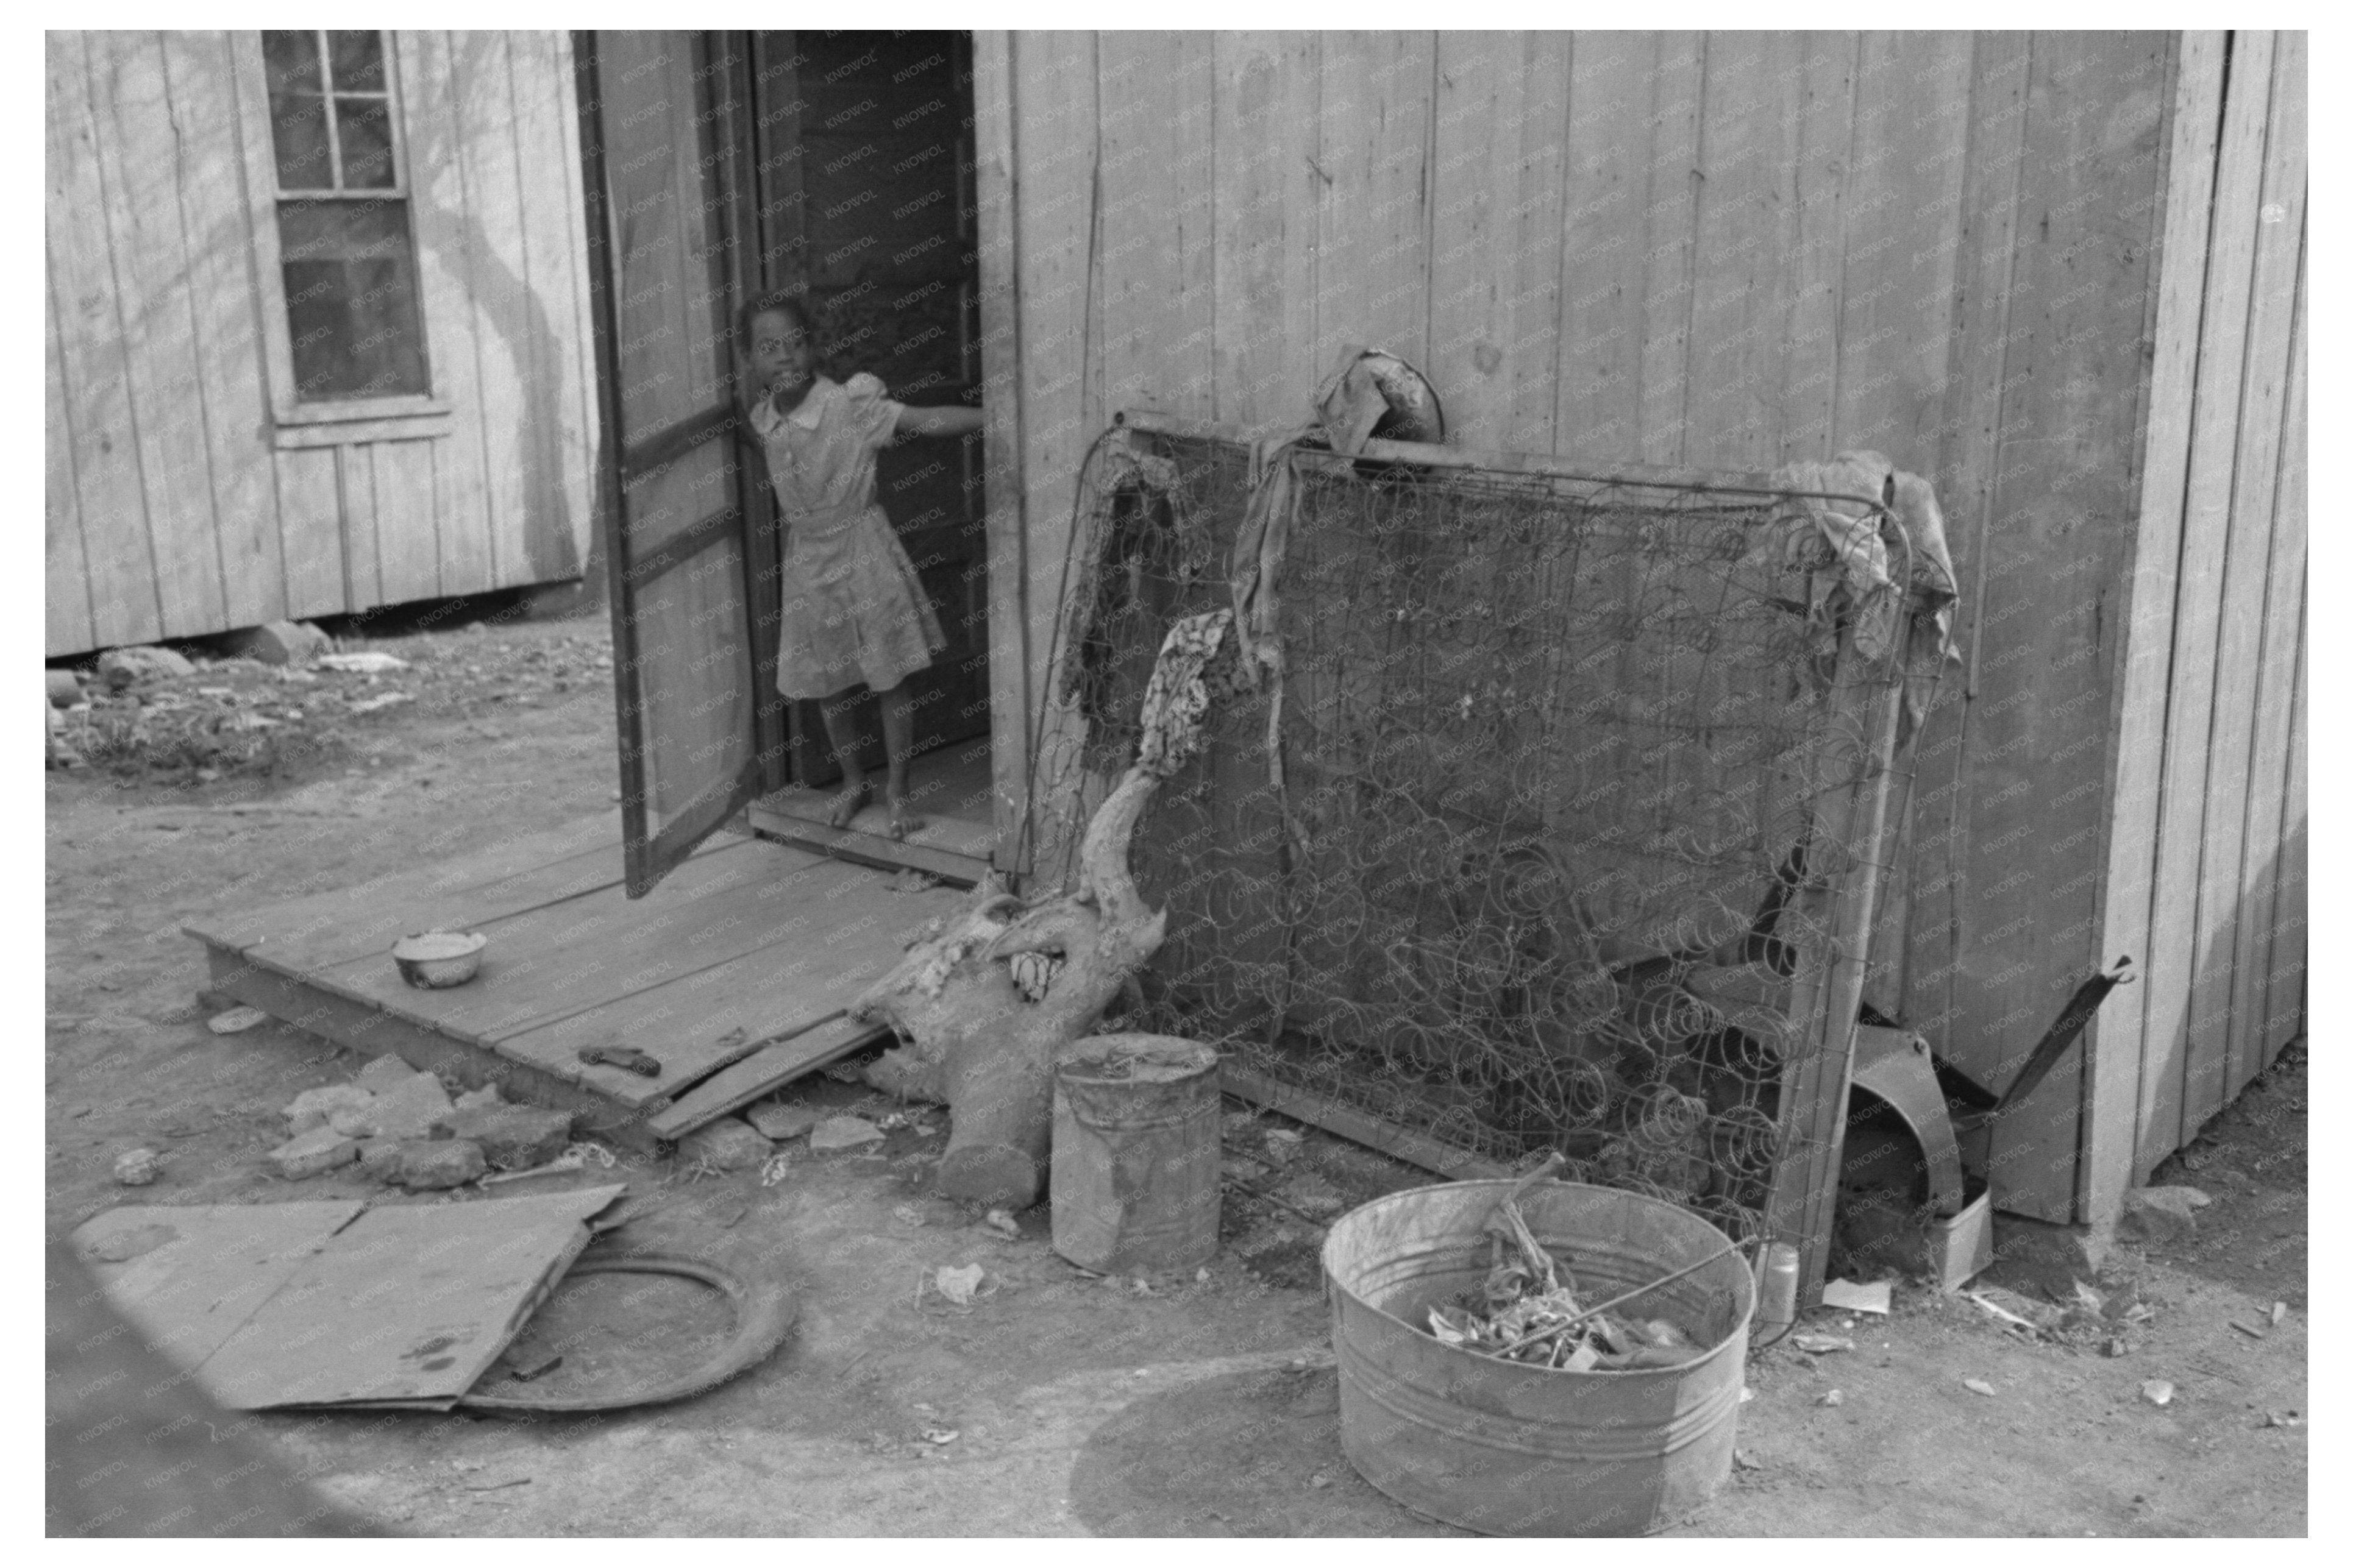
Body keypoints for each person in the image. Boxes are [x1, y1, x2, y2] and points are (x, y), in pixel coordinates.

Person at [737, 294, 984, 839]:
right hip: (808, 559)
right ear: (751, 361)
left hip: (863, 549)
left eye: (797, 342)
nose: (787, 358)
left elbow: (924, 420)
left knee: (888, 671)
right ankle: (854, 782)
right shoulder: (761, 418)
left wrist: (1000, 417)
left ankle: (898, 789)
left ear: (814, 346)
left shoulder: (850, 405)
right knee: (829, 681)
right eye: (770, 349)